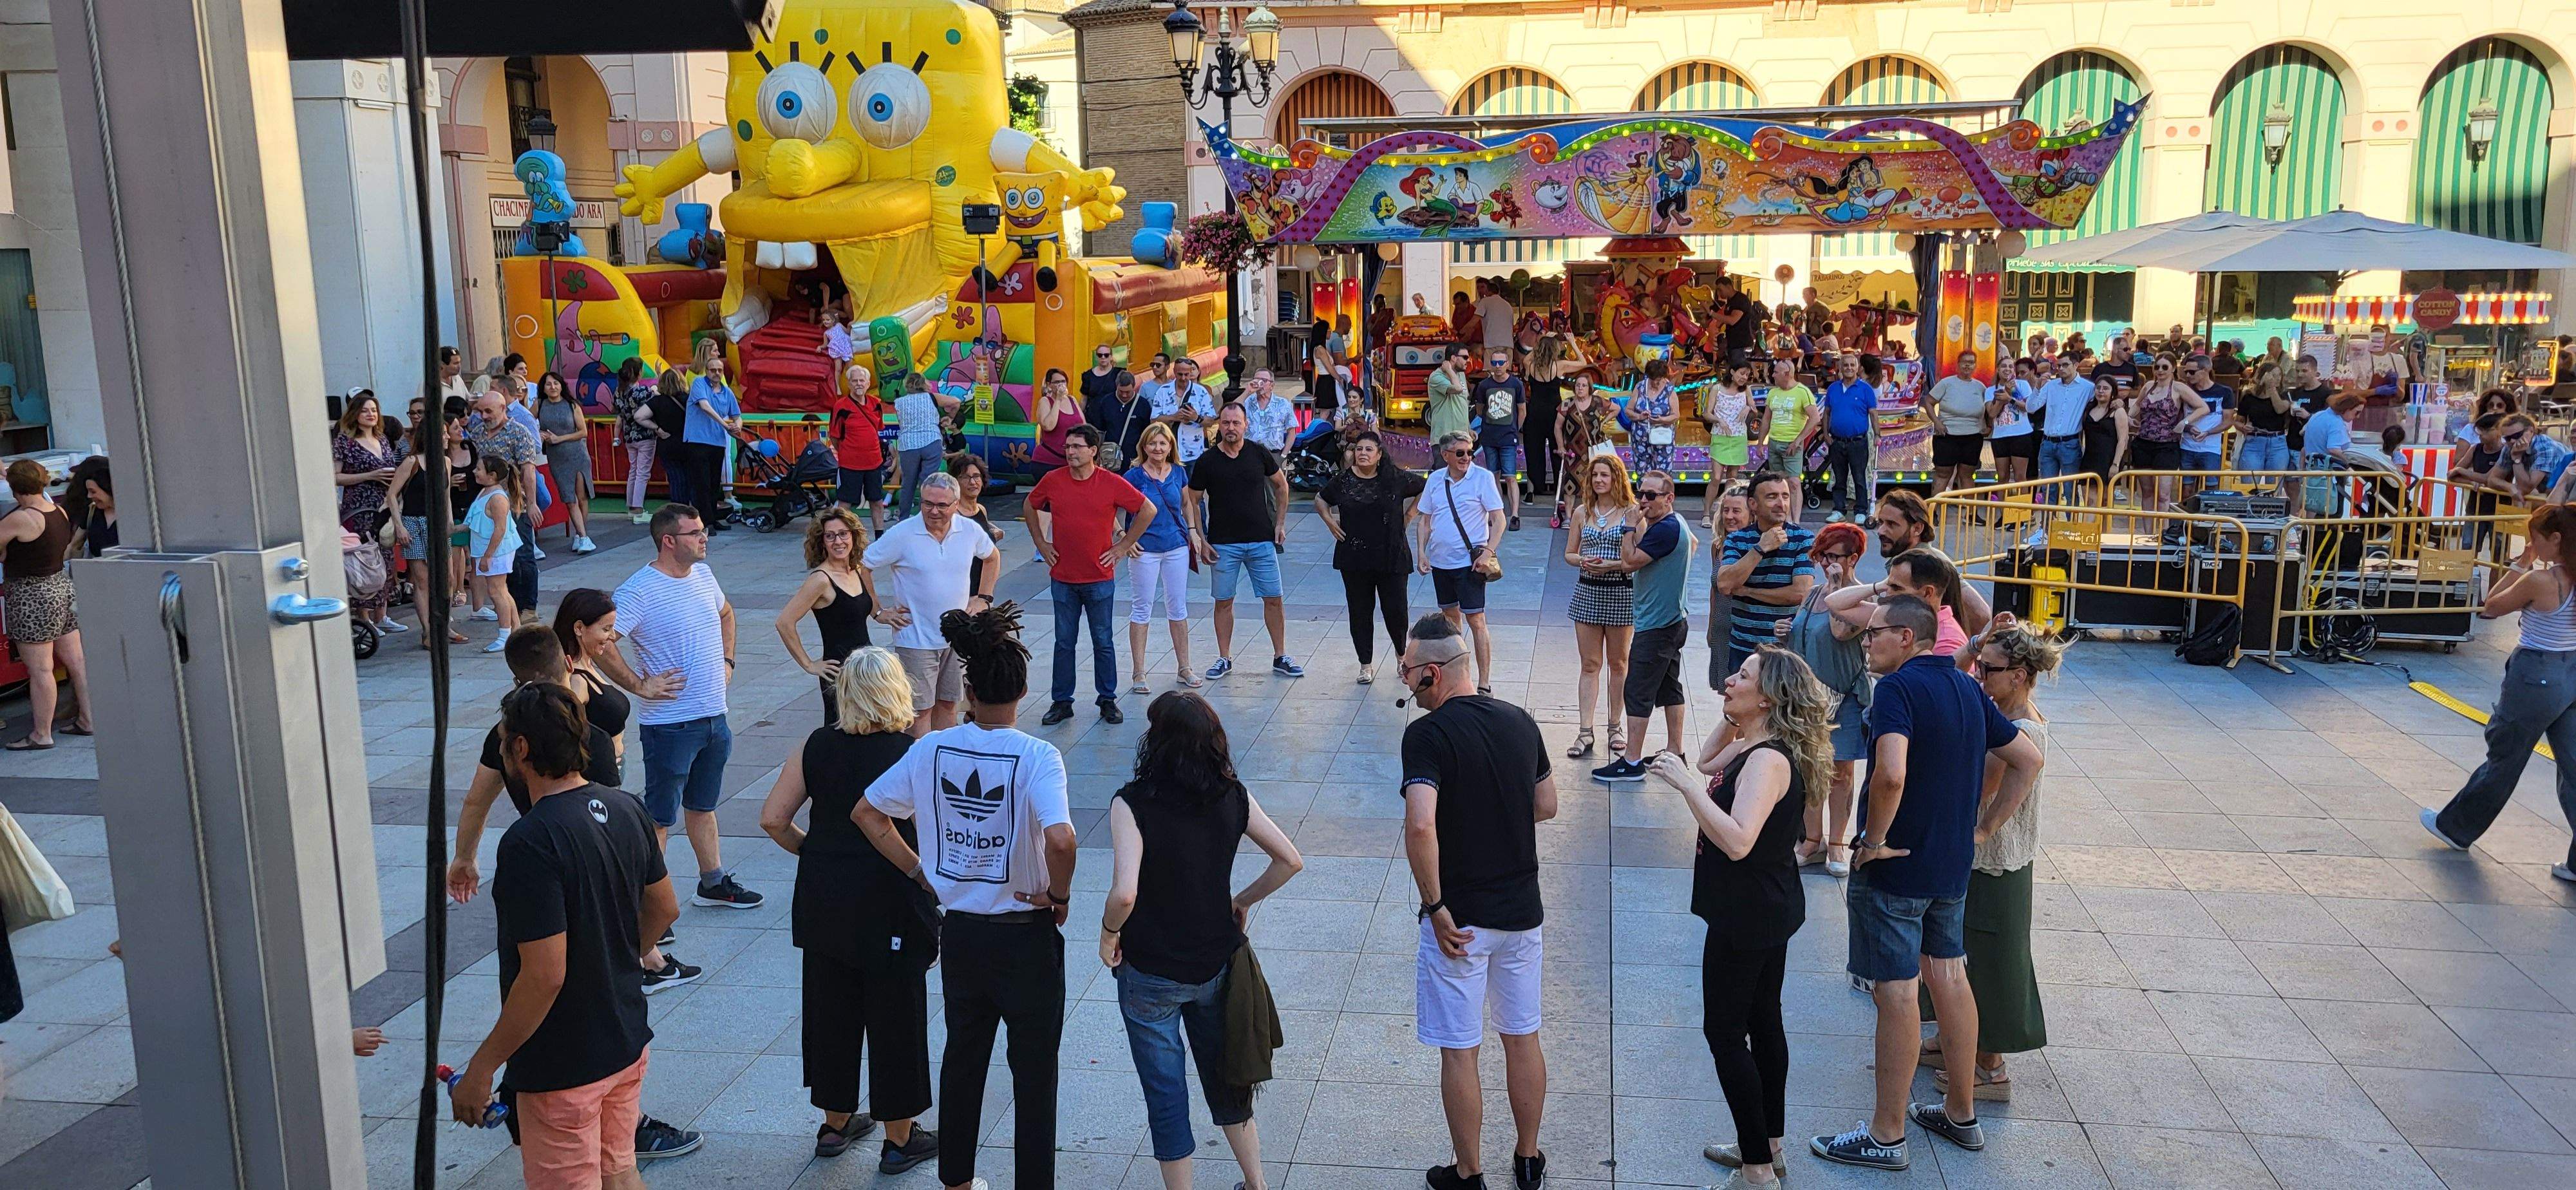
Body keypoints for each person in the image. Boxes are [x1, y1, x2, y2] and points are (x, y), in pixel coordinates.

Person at [1810, 596, 2040, 1173]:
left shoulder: (1897, 691)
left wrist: (1873, 840)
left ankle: (1886, 1135)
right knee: (1950, 976)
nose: (1866, 642)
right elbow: (2028, 758)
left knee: (1898, 992)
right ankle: (1961, 1113)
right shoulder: (1968, 687)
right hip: (1950, 865)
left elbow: (1889, 772)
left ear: (1908, 639)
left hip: (1899, 867)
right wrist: (1983, 828)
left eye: (1875, 635)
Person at [854, 603, 1079, 1190]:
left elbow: (868, 812)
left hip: (961, 933)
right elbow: (1061, 837)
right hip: (1025, 936)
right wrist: (1059, 895)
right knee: (1034, 1075)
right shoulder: (1038, 756)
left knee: (963, 1061)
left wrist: (921, 871)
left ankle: (956, 1180)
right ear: (1024, 690)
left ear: (970, 691)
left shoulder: (931, 748)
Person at [446, 682, 679, 1190]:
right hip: (625, 1035)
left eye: (505, 740)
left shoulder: (531, 841)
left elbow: (546, 974)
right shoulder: (625, 808)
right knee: (619, 1170)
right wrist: (620, 953)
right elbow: (665, 906)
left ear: (522, 749)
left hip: (564, 1057)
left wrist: (484, 1067)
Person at [1101, 691, 1305, 1190]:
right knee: (1228, 1077)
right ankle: (1256, 1184)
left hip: (1149, 971)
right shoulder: (1232, 793)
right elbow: (1290, 860)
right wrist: (1243, 900)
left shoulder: (1133, 802)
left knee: (1166, 1095)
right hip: (1217, 964)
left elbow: (1125, 893)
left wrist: (1108, 934)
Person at [1648, 647, 1833, 1190]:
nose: (1729, 680)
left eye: (1743, 676)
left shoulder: (1768, 761)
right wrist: (1733, 720)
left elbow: (1736, 840)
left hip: (1748, 913)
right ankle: (1768, 1146)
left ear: (1770, 697)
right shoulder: (1756, 744)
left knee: (1726, 1033)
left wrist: (1683, 787)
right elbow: (1708, 764)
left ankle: (1756, 1171)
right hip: (1764, 904)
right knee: (1762, 1020)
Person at [755, 647, 942, 1171]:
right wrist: (920, 874)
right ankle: (901, 1137)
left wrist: (813, 852)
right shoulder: (913, 750)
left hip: (824, 901)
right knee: (896, 1015)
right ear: (896, 692)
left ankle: (835, 1125)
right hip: (891, 901)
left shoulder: (815, 745)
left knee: (830, 1009)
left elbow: (773, 818)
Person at [1397, 613, 1557, 1190]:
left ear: (1432, 674)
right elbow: (1547, 805)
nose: (1404, 680)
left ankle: (1469, 1175)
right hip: (1522, 912)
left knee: (1460, 1050)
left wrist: (1435, 905)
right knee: (1522, 1034)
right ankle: (1529, 1159)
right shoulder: (1519, 721)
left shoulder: (1427, 735)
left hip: (1460, 920)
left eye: (1408, 671)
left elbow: (1421, 827)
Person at [1922, 616, 2060, 1102]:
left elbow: (1986, 787)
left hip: (1996, 860)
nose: (1980, 678)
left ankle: (1990, 1067)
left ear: (2019, 675)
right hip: (1991, 856)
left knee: (1990, 959)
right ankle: (1953, 1042)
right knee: (1962, 948)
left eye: (1990, 670)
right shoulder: (2013, 714)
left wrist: (1984, 829)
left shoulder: (2019, 728)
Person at [609, 504, 765, 910]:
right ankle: (647, 904)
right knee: (660, 817)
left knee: (703, 806)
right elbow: (602, 641)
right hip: (670, 724)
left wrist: (728, 661)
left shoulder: (703, 575)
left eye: (703, 531)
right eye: (694, 533)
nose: (704, 538)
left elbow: (726, 613)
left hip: (715, 716)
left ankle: (712, 883)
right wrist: (639, 685)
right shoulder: (638, 590)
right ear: (668, 541)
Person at [2422, 504, 2576, 885]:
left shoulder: (2544, 581)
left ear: (2555, 539)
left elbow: (2490, 607)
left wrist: (2522, 563)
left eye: (2535, 538)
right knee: (2573, 766)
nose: (2532, 544)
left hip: (2536, 673)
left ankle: (2456, 827)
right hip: (2572, 670)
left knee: (2505, 757)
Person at [1027, 424, 1155, 723]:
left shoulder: (1110, 482)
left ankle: (1107, 699)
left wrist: (1123, 546)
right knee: (1063, 642)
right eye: (1068, 447)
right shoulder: (1053, 480)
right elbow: (1030, 504)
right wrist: (1040, 542)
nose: (1070, 452)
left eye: (1076, 447)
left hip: (1099, 577)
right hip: (1063, 578)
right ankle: (1061, 701)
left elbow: (1147, 510)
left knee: (1103, 641)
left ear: (1093, 451)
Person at [863, 472, 999, 733]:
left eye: (941, 505)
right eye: (927, 503)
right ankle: (922, 768)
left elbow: (992, 557)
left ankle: (945, 764)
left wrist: (984, 598)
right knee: (919, 711)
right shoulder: (902, 534)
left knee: (949, 705)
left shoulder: (969, 529)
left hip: (956, 638)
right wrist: (877, 610)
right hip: (916, 640)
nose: (933, 511)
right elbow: (862, 566)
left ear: (956, 505)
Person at [1778, 520, 1870, 878]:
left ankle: (1836, 844)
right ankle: (1811, 840)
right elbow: (1806, 637)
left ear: (1854, 558)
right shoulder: (1814, 593)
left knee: (1841, 772)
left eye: (1834, 557)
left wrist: (1837, 585)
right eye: (1821, 556)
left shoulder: (1861, 597)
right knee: (1808, 767)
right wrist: (1785, 631)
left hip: (1843, 697)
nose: (1825, 563)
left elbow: (1838, 630)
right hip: (1808, 698)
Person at [1184, 402, 1300, 680]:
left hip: (1261, 541)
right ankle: (1224, 658)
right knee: (1224, 601)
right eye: (1226, 423)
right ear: (1219, 425)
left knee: (1274, 599)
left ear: (1245, 425)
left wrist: (1280, 523)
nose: (1231, 428)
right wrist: (1200, 536)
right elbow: (1192, 498)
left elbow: (1281, 485)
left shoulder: (1258, 453)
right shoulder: (1208, 460)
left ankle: (1280, 656)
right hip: (1223, 544)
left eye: (1236, 423)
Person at [1593, 470, 1695, 782]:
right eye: (1642, 494)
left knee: (1638, 690)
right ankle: (1675, 752)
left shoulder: (1664, 529)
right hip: (1675, 618)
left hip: (1658, 625)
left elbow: (1629, 561)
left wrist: (1628, 527)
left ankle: (1632, 761)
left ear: (1669, 498)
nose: (1644, 501)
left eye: (1652, 496)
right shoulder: (1674, 525)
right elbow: (1692, 545)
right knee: (1668, 686)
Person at [1317, 428, 1425, 685]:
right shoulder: (1343, 481)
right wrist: (1329, 521)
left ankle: (1402, 658)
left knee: (1396, 611)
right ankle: (1365, 664)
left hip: (1391, 554)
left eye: (1368, 450)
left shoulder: (1394, 478)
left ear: (1379, 455)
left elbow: (1426, 487)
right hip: (1354, 557)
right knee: (1360, 611)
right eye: (1358, 449)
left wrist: (1410, 516)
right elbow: (1320, 500)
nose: (1362, 454)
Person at [1, 460, 93, 750]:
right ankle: (89, 720)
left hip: (32, 596)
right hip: (61, 588)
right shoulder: (58, 510)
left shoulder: (20, 519)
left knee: (40, 669)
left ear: (14, 488)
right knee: (77, 663)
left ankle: (42, 734)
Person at [1416, 430, 1507, 693]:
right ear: (1445, 455)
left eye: (1470, 452)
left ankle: (1484, 683)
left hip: (1471, 564)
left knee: (1476, 620)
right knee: (1450, 619)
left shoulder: (1483, 478)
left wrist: (1488, 552)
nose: (1467, 457)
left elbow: (1498, 519)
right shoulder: (1435, 480)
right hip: (1441, 564)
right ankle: (1459, 675)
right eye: (1460, 453)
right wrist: (1422, 553)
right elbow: (1425, 520)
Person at [1562, 456, 1638, 760]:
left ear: (1616, 478)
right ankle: (1585, 731)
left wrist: (1614, 565)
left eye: (1604, 475)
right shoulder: (1582, 512)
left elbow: (1637, 559)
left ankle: (1615, 726)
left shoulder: (1631, 514)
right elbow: (1569, 553)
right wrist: (1583, 561)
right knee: (1589, 664)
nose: (1598, 481)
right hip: (1587, 591)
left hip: (1621, 591)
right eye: (1595, 475)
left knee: (1619, 664)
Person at [776, 508, 881, 727]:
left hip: (866, 669)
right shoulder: (821, 580)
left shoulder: (857, 570)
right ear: (822, 541)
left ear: (853, 536)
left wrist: (882, 614)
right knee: (843, 736)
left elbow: (864, 605)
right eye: (830, 536)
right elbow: (784, 622)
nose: (838, 541)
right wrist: (809, 664)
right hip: (839, 672)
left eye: (843, 534)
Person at [1716, 471, 1817, 691]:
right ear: (1753, 504)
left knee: (1781, 716)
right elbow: (1724, 585)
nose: (1781, 503)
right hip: (1743, 646)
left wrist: (1747, 591)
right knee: (1740, 715)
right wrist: (1761, 548)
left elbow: (1799, 594)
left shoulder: (1803, 539)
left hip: (1785, 651)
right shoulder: (1738, 539)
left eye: (1785, 496)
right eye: (1772, 497)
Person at [390, 395, 475, 642]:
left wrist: (449, 525)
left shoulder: (446, 463)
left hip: (437, 525)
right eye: (444, 433)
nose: (448, 437)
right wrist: (399, 526)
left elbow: (446, 497)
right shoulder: (412, 462)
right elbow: (392, 495)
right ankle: (429, 631)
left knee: (447, 578)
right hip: (414, 522)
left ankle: (443, 626)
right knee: (422, 580)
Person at [1122, 422, 1197, 690]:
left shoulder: (1179, 472)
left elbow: (1187, 504)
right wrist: (1124, 538)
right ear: (1144, 446)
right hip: (1144, 549)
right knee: (1142, 608)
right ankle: (1139, 672)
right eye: (1153, 443)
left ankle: (1184, 667)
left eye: (1163, 443)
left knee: (1178, 607)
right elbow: (1111, 508)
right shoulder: (1133, 476)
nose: (1158, 448)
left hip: (1176, 545)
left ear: (1170, 447)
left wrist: (1193, 533)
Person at [468, 389, 545, 621]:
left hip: (515, 504)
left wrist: (531, 504)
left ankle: (528, 607)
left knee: (522, 555)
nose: (484, 416)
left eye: (488, 411)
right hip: (489, 506)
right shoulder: (478, 432)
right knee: (502, 560)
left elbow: (528, 471)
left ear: (503, 409)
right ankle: (509, 606)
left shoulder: (518, 432)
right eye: (480, 411)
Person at [333, 391, 406, 634]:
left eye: (374, 410)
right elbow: (335, 477)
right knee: (363, 558)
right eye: (365, 410)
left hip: (382, 505)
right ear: (355, 414)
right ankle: (364, 617)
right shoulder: (345, 441)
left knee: (385, 557)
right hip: (358, 506)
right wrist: (370, 476)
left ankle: (382, 614)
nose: (371, 414)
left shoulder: (382, 439)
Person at [466, 453, 526, 653]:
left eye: (479, 469)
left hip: (497, 551)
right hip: (488, 549)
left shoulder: (498, 498)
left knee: (496, 591)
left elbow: (500, 529)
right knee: (502, 589)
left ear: (492, 476)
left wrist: (487, 556)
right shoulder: (485, 492)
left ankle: (504, 634)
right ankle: (515, 629)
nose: (475, 471)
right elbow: (473, 522)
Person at [535, 370, 598, 553]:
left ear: (562, 385)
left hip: (577, 455)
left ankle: (581, 534)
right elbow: (528, 422)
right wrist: (539, 434)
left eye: (556, 383)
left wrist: (559, 439)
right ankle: (584, 536)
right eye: (548, 384)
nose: (553, 387)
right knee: (569, 499)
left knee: (581, 497)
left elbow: (583, 432)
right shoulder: (539, 405)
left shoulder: (572, 405)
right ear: (543, 388)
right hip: (557, 459)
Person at [682, 346, 744, 527]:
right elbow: (705, 406)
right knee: (701, 483)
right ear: (706, 371)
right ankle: (704, 522)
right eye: (713, 370)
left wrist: (737, 427)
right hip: (698, 441)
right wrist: (726, 425)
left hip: (717, 442)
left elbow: (737, 415)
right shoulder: (699, 384)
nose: (717, 373)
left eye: (719, 370)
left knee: (714, 483)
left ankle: (712, 518)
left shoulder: (727, 392)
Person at [1525, 334, 1584, 523]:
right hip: (1554, 413)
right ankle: (1559, 491)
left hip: (1534, 413)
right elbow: (1583, 362)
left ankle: (1533, 490)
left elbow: (1526, 358)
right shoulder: (1560, 366)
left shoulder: (1531, 366)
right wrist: (1573, 343)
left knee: (1533, 452)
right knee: (1559, 450)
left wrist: (1540, 340)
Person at [1470, 350, 1529, 529]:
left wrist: (1514, 429)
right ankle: (1498, 513)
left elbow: (1522, 410)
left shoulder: (1516, 385)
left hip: (1508, 437)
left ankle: (1515, 515)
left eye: (1500, 363)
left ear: (1507, 363)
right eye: (1494, 363)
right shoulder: (1484, 386)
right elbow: (1480, 410)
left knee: (1511, 477)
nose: (1497, 367)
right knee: (1493, 476)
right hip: (1490, 436)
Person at [828, 363, 889, 531]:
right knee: (845, 504)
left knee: (877, 501)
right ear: (848, 384)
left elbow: (877, 429)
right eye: (854, 381)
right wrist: (849, 452)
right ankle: (837, 534)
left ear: (868, 383)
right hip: (850, 465)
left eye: (862, 380)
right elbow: (834, 437)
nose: (858, 384)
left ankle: (879, 538)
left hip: (874, 463)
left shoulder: (876, 404)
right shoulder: (840, 407)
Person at [892, 373, 961, 519]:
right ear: (925, 384)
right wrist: (950, 418)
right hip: (931, 441)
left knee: (908, 483)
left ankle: (903, 518)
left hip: (908, 444)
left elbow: (901, 422)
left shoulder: (899, 402)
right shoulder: (932, 397)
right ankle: (924, 516)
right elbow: (956, 401)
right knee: (928, 482)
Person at [1705, 485, 1751, 690]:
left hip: (1746, 631)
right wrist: (1711, 626)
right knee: (1728, 691)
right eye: (1726, 510)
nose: (1729, 516)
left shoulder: (1756, 548)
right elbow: (1714, 590)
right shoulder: (1718, 546)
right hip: (1722, 628)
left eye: (1736, 511)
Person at [1821, 355, 1877, 521]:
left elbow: (1873, 414)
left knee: (1859, 477)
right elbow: (1827, 413)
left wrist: (1878, 435)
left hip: (1858, 441)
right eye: (1845, 365)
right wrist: (1825, 434)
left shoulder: (1866, 389)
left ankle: (1860, 511)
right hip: (1837, 441)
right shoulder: (1833, 389)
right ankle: (1839, 510)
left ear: (1857, 367)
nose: (1849, 368)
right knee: (1839, 478)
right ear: (1840, 367)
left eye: (1852, 365)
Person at [612, 359, 667, 525]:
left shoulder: (618, 392)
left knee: (633, 471)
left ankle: (632, 507)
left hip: (629, 436)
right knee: (642, 472)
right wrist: (659, 375)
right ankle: (638, 509)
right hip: (645, 436)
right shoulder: (641, 392)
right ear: (638, 373)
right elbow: (661, 393)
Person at [1927, 353, 1989, 496]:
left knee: (1967, 475)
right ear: (1958, 364)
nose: (1968, 365)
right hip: (1947, 436)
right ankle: (1933, 513)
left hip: (1973, 437)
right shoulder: (1946, 383)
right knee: (1943, 475)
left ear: (1975, 365)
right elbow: (1929, 402)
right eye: (1964, 362)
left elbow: (1988, 409)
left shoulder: (1980, 387)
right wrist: (1937, 422)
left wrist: (1988, 426)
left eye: (1971, 362)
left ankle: (1970, 515)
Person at [947, 451, 1009, 596]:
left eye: (976, 477)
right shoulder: (954, 514)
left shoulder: (981, 509)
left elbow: (983, 530)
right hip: (961, 587)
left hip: (983, 583)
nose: (973, 482)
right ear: (956, 482)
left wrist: (995, 533)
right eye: (966, 477)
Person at [1553, 373, 1611, 523]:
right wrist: (1561, 446)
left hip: (1593, 451)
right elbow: (1558, 426)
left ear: (1589, 388)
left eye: (1584, 385)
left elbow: (1616, 409)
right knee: (1570, 484)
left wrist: (1604, 422)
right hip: (1573, 451)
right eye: (1578, 385)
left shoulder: (1598, 402)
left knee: (1595, 482)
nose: (1580, 388)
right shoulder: (1567, 404)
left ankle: (1594, 514)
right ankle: (1568, 517)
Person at [1702, 361, 1755, 519]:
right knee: (1716, 477)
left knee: (1732, 478)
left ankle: (1725, 514)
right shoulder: (1717, 389)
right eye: (1741, 373)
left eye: (1747, 375)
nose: (1744, 377)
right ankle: (1706, 514)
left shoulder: (1746, 390)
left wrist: (1747, 408)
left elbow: (1754, 408)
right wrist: (1719, 421)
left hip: (1738, 437)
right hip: (1720, 436)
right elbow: (1707, 413)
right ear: (1732, 372)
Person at [2029, 355, 2090, 488]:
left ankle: (2070, 510)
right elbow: (2031, 408)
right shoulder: (2051, 386)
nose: (2061, 369)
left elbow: (2103, 399)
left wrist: (2117, 403)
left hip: (2070, 443)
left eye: (2065, 365)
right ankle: (2049, 510)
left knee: (2070, 490)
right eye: (2058, 366)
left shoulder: (2088, 387)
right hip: (2048, 442)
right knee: (2047, 489)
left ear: (2076, 365)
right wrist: (2037, 388)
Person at [2233, 360, 2297, 479]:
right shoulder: (2249, 396)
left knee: (2274, 485)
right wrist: (2243, 427)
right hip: (2254, 441)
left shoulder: (2285, 394)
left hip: (2277, 443)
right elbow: (2238, 420)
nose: (2277, 378)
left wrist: (2272, 388)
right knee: (2250, 483)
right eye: (2273, 375)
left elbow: (2280, 409)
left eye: (2279, 375)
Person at [1755, 357, 1817, 477]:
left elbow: (1815, 418)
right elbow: (1766, 419)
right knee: (1777, 481)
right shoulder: (1773, 393)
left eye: (1776, 373)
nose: (1773, 375)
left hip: (1791, 443)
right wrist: (1760, 443)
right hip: (1774, 443)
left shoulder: (1803, 392)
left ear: (1787, 374)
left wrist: (1798, 440)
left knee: (1794, 483)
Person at [1153, 356, 1220, 464]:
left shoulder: (1201, 392)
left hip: (1194, 453)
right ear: (1174, 371)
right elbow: (1154, 421)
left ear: (1191, 372)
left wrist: (1196, 418)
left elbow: (1211, 421)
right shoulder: (1163, 392)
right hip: (1167, 453)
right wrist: (1174, 417)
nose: (1183, 378)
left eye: (1186, 374)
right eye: (1180, 374)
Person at [1985, 359, 2038, 487]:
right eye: (2003, 366)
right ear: (1998, 369)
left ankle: (2022, 508)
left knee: (2020, 477)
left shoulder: (2023, 385)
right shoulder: (1990, 390)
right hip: (2000, 437)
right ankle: (2002, 507)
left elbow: (2028, 408)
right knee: (2002, 477)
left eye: (2010, 366)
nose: (2007, 369)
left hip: (2021, 435)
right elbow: (1992, 413)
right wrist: (2005, 394)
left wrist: (2010, 398)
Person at [2179, 355, 2233, 478]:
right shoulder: (2185, 391)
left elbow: (2228, 421)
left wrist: (2208, 433)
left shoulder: (2225, 392)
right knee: (2186, 489)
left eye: (2192, 372)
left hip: (2211, 449)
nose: (2188, 375)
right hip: (2187, 446)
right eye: (2186, 372)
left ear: (2205, 371)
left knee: (2211, 488)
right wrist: (2188, 428)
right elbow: (2178, 418)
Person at [1628, 358, 1681, 479]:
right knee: (1642, 473)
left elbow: (1676, 415)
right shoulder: (1640, 387)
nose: (1655, 383)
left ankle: (1661, 496)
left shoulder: (1669, 390)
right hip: (1641, 438)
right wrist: (1640, 416)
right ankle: (1646, 496)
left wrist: (1661, 420)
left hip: (1662, 438)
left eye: (1658, 380)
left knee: (1663, 475)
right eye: (1652, 380)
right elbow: (1628, 411)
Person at [1029, 366, 1084, 470]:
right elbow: (1048, 426)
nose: (1061, 385)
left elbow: (1083, 425)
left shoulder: (1072, 400)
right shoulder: (1045, 401)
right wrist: (1058, 400)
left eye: (1063, 381)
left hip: (1070, 462)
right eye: (1057, 382)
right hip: (1048, 462)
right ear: (1049, 385)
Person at [2078, 375, 2130, 486]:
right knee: (2089, 500)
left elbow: (2123, 440)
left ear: (2113, 392)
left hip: (2108, 461)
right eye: (2098, 388)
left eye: (2106, 388)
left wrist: (2115, 464)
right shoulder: (2088, 409)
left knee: (2105, 500)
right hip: (2089, 459)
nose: (2101, 391)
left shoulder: (2118, 412)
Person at [1425, 343, 1473, 446]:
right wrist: (1450, 371)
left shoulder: (1461, 375)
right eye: (1465, 357)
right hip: (1443, 440)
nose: (1468, 361)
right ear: (1453, 358)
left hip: (1461, 439)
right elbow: (1457, 389)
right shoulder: (1436, 377)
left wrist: (1468, 429)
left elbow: (1463, 402)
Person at [1240, 369, 1295, 454]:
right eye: (1257, 380)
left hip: (1274, 453)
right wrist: (1247, 391)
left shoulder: (1283, 404)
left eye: (1264, 381)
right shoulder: (1247, 401)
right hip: (1250, 453)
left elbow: (1291, 431)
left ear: (1272, 386)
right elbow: (1231, 410)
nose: (1260, 383)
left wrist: (1284, 455)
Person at [1475, 278, 1517, 359]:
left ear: (1487, 291)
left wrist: (1462, 332)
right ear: (1498, 292)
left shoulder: (1485, 301)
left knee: (1490, 371)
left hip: (1492, 347)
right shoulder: (1508, 305)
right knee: (1506, 371)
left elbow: (1474, 321)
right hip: (1508, 347)